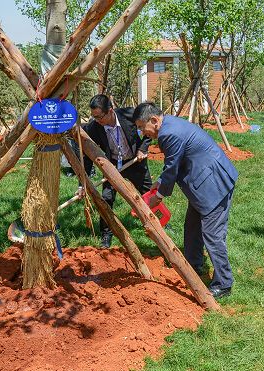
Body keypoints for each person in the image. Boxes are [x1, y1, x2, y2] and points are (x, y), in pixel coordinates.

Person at [132, 102, 238, 299]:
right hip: (204, 182)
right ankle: (192, 263)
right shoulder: (169, 124)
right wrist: (160, 182)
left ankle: (224, 283)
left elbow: (172, 167)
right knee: (192, 226)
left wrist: (159, 196)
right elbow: (175, 162)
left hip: (213, 184)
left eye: (141, 126)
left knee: (212, 235)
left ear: (154, 120)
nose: (141, 133)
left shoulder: (167, 134)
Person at [81, 94, 152, 248]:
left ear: (111, 111)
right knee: (106, 199)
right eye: (94, 117)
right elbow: (87, 155)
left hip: (134, 162)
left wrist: (142, 149)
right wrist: (83, 183)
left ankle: (158, 224)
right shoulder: (94, 127)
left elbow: (149, 129)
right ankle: (106, 234)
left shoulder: (129, 115)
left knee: (148, 192)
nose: (97, 120)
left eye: (100, 116)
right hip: (112, 165)